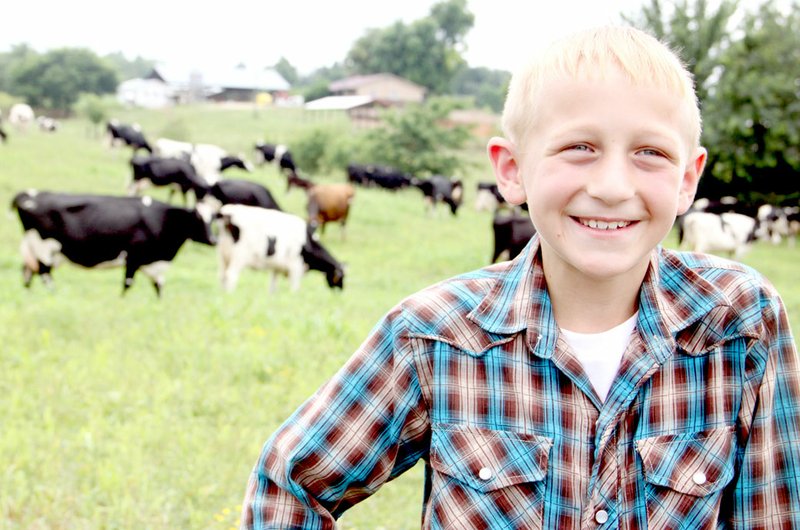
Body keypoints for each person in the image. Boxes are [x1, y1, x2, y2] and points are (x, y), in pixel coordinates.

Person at [241, 26, 800, 529]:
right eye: (579, 148)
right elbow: (289, 486)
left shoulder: (742, 322)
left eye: (649, 152)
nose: (611, 185)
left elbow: (775, 514)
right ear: (512, 170)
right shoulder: (432, 334)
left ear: (687, 179)